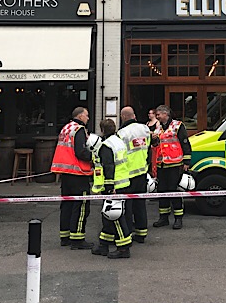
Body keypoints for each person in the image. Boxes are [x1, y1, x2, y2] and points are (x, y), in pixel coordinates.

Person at [51, 107, 94, 250]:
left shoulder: (66, 128)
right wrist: (94, 157)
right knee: (81, 207)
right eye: (87, 116)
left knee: (67, 205)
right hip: (78, 173)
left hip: (66, 173)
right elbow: (80, 152)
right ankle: (77, 239)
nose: (88, 118)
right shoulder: (79, 129)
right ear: (81, 116)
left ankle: (65, 237)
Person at [92, 118, 132, 259]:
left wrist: (109, 187)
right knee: (108, 215)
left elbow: (109, 167)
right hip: (123, 183)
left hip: (114, 186)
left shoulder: (107, 145)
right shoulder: (119, 141)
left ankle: (124, 248)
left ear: (102, 130)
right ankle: (104, 244)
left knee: (115, 216)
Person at [152, 104, 192, 230]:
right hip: (162, 164)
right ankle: (163, 217)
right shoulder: (158, 128)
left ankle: (178, 218)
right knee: (162, 191)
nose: (157, 116)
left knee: (173, 190)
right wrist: (152, 139)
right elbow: (156, 145)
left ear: (165, 114)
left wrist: (186, 162)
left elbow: (185, 142)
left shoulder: (177, 125)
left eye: (158, 114)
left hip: (175, 164)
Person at [118, 106, 151, 243]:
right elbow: (148, 148)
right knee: (140, 204)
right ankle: (142, 233)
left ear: (124, 117)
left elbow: (119, 153)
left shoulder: (121, 133)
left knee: (128, 206)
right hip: (142, 172)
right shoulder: (145, 129)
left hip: (128, 174)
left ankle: (128, 233)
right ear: (134, 116)